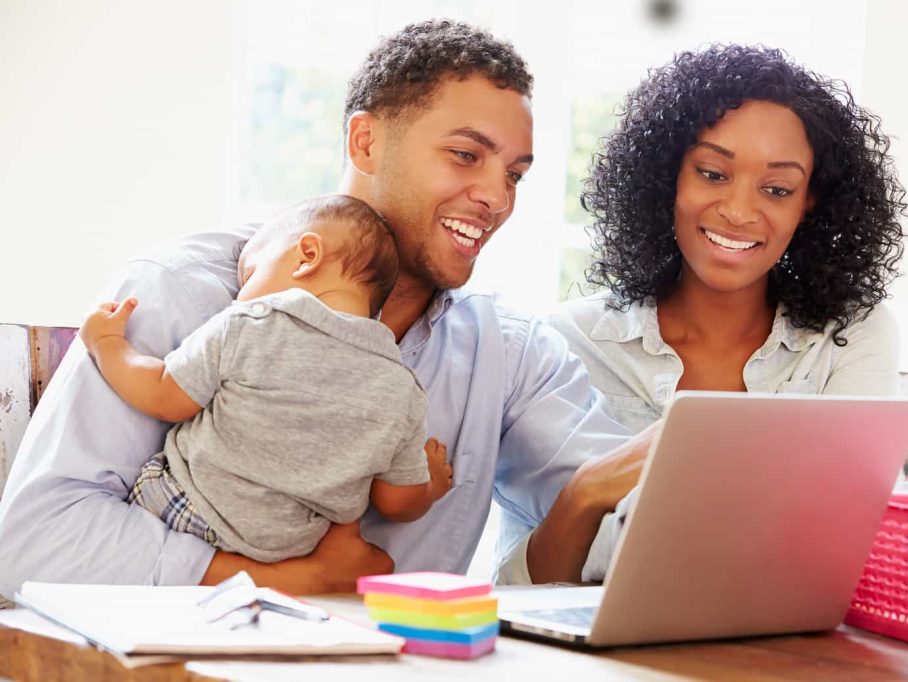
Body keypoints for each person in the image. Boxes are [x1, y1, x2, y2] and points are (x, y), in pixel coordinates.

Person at [0, 20, 648, 598]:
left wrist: (629, 493)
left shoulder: (508, 353)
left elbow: (621, 510)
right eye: (465, 155)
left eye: (515, 174)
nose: (495, 197)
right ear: (365, 143)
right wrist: (286, 583)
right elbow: (34, 541)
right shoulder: (182, 291)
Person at [550, 44, 908, 579]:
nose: (740, 211)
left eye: (777, 188)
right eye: (713, 174)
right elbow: (536, 580)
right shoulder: (570, 343)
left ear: (809, 202)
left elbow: (855, 543)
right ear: (668, 175)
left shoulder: (848, 336)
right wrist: (586, 496)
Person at [78, 195, 453, 563]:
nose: (241, 292)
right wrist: (432, 484)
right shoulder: (402, 389)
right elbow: (396, 502)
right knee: (373, 563)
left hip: (187, 510)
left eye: (249, 273)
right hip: (287, 552)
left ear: (307, 256)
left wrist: (107, 343)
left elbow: (164, 395)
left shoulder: (252, 322)